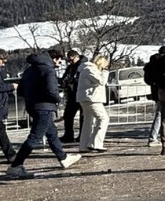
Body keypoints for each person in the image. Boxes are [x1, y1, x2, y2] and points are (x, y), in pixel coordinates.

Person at [6, 49, 82, 178]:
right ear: (53, 58)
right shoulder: (48, 70)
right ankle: (16, 166)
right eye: (59, 59)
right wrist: (58, 98)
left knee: (52, 133)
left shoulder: (29, 70)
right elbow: (52, 90)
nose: (60, 62)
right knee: (35, 137)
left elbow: (21, 90)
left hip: (32, 106)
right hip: (45, 107)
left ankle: (63, 157)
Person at [76, 55, 111, 153]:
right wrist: (105, 72)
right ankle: (95, 143)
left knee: (88, 122)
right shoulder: (90, 69)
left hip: (86, 98)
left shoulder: (86, 69)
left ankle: (84, 146)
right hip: (92, 98)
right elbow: (102, 81)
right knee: (103, 118)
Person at [58, 49, 84, 144]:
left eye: (71, 60)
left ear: (77, 57)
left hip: (80, 93)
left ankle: (82, 136)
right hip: (72, 95)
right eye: (69, 60)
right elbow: (65, 79)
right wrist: (63, 82)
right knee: (68, 116)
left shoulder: (83, 66)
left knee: (83, 117)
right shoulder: (70, 68)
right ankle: (68, 135)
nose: (70, 62)